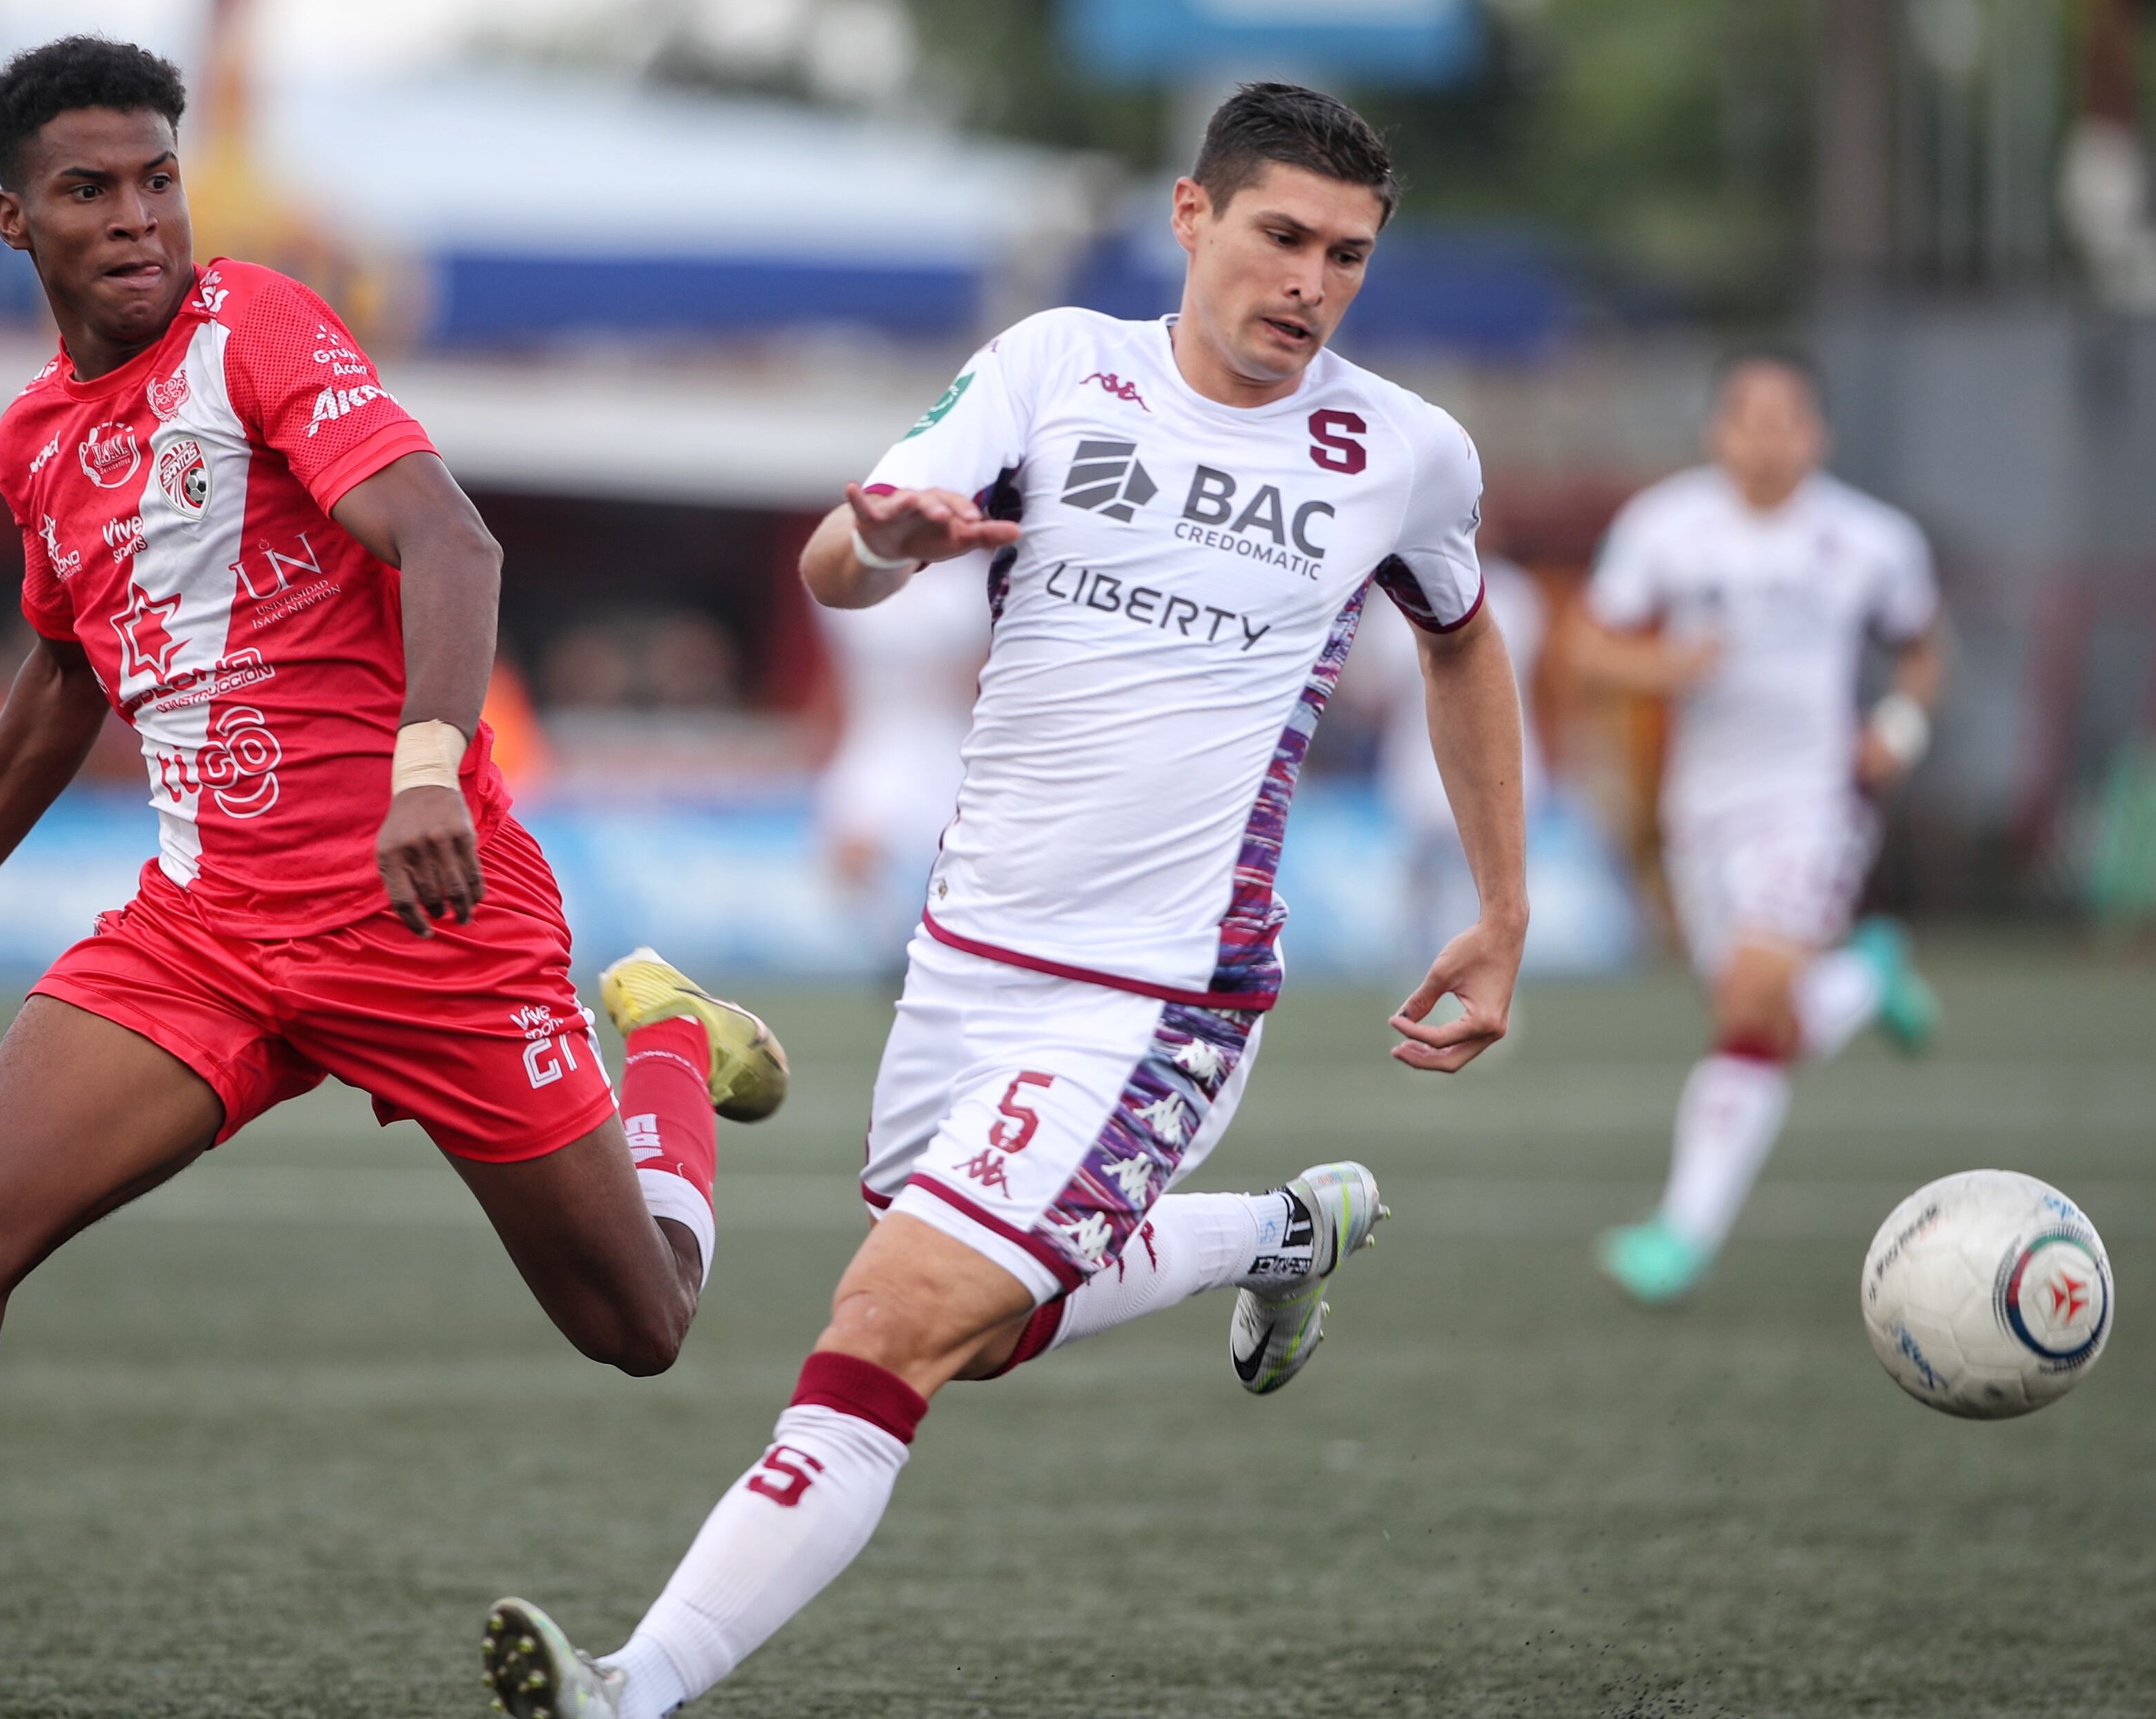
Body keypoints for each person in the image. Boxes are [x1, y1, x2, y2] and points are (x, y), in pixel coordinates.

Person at [0, 36, 790, 1719]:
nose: (137, 220)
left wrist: (426, 773)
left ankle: (668, 1044)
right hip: (206, 933)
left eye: (156, 181)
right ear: (13, 220)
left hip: (433, 915)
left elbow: (452, 540)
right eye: (89, 192)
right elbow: (65, 671)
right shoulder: (38, 437)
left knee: (641, 1325)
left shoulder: (253, 326)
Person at [478, 83, 1530, 1719]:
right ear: (1193, 220)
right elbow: (843, 558)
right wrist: (881, 543)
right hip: (968, 964)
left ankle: (633, 1686)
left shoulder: (1404, 453)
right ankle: (1278, 1231)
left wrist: (1504, 906)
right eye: (1282, 237)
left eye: (1348, 255)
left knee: (890, 1324)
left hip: (1164, 994)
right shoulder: (1057, 367)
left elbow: (1462, 641)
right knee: (978, 1322)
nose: (1312, 282)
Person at [1562, 351, 1945, 1307]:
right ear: (1718, 431)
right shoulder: (1666, 528)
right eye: (1749, 416)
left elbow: (1922, 646)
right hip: (1703, 814)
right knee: (1762, 1021)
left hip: (1813, 805)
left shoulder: (1871, 539)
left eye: (1790, 418)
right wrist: (1661, 672)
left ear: (1818, 433)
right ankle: (1865, 976)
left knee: (1747, 1006)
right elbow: (1586, 649)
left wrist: (1899, 728)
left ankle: (1681, 1239)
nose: (1769, 436)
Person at [1343, 549, 1549, 963]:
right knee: (1428, 897)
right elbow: (1369, 691)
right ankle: (1424, 990)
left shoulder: (1514, 593)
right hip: (1422, 768)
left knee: (1489, 895)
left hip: (1493, 768)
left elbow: (1369, 693)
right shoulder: (1397, 601)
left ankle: (1483, 987)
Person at [809, 547, 987, 914]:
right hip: (873, 737)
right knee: (853, 871)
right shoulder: (854, 567)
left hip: (950, 745)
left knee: (949, 876)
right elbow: (841, 678)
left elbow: (979, 678)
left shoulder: (969, 580)